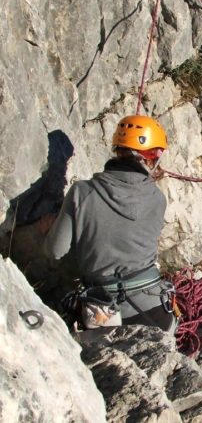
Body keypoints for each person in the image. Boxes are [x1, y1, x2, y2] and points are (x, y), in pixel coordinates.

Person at [40, 115, 175, 331]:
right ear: (151, 157)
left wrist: (50, 229)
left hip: (102, 314)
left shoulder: (81, 193)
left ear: (117, 149)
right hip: (155, 312)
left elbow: (55, 251)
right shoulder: (158, 200)